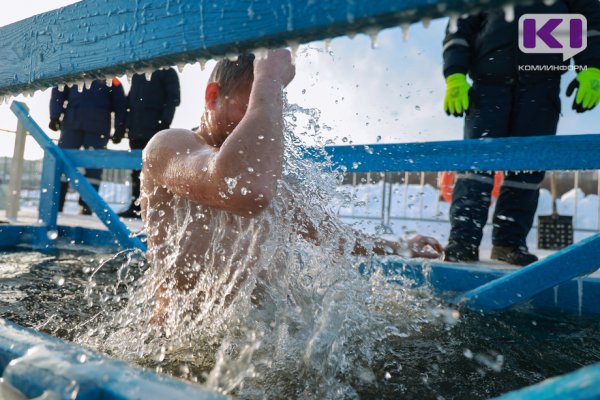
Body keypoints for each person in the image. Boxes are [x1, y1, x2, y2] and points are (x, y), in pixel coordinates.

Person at [141, 50, 442, 305]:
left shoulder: (266, 173)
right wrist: (268, 78)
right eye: (254, 106)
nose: (262, 123)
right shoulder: (168, 146)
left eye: (269, 107)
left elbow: (331, 235)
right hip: (179, 348)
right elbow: (244, 190)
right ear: (212, 96)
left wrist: (398, 246)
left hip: (252, 343)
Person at [442, 1, 600, 265]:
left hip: (542, 84)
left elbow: (590, 23)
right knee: (476, 167)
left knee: (527, 170)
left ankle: (508, 243)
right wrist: (455, 75)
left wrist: (592, 67)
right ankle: (462, 240)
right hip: (488, 86)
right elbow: (459, 25)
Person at [49, 79, 127, 215]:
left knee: (93, 168)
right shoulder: (75, 72)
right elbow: (59, 91)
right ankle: (56, 204)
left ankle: (87, 207)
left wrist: (120, 127)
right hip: (73, 125)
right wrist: (55, 116)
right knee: (62, 162)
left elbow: (120, 103)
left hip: (97, 128)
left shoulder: (111, 77)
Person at [114, 68, 181, 218]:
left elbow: (173, 98)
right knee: (136, 171)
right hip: (135, 130)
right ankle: (136, 205)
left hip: (154, 130)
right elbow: (130, 101)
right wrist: (121, 127)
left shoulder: (167, 71)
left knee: (152, 170)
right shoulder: (138, 73)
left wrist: (164, 122)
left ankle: (152, 206)